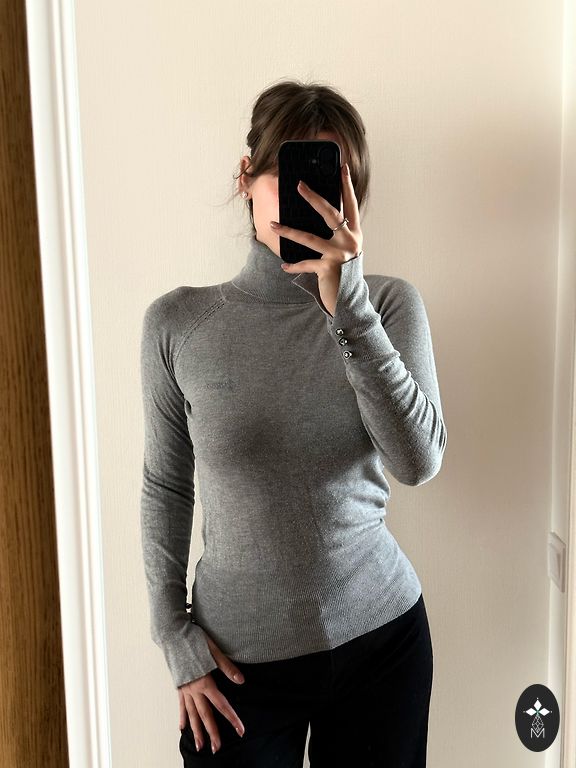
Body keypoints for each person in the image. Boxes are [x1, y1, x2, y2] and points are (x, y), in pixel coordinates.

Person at [139, 78, 448, 767]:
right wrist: (175, 639)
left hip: (383, 645)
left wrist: (349, 306)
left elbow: (418, 462)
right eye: (292, 172)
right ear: (246, 178)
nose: (308, 197)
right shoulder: (179, 324)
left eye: (329, 180)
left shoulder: (388, 307)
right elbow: (166, 487)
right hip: (237, 671)